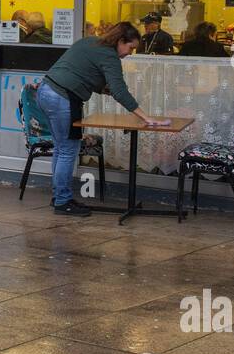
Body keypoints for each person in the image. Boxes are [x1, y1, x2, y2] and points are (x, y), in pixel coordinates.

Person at [37, 22, 164, 216]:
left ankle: (59, 197)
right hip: (63, 97)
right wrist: (145, 117)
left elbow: (85, 74)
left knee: (61, 149)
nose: (130, 53)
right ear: (120, 41)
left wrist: (108, 90)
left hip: (46, 91)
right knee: (68, 150)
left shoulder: (89, 42)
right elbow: (119, 90)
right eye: (130, 47)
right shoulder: (109, 55)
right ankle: (63, 202)